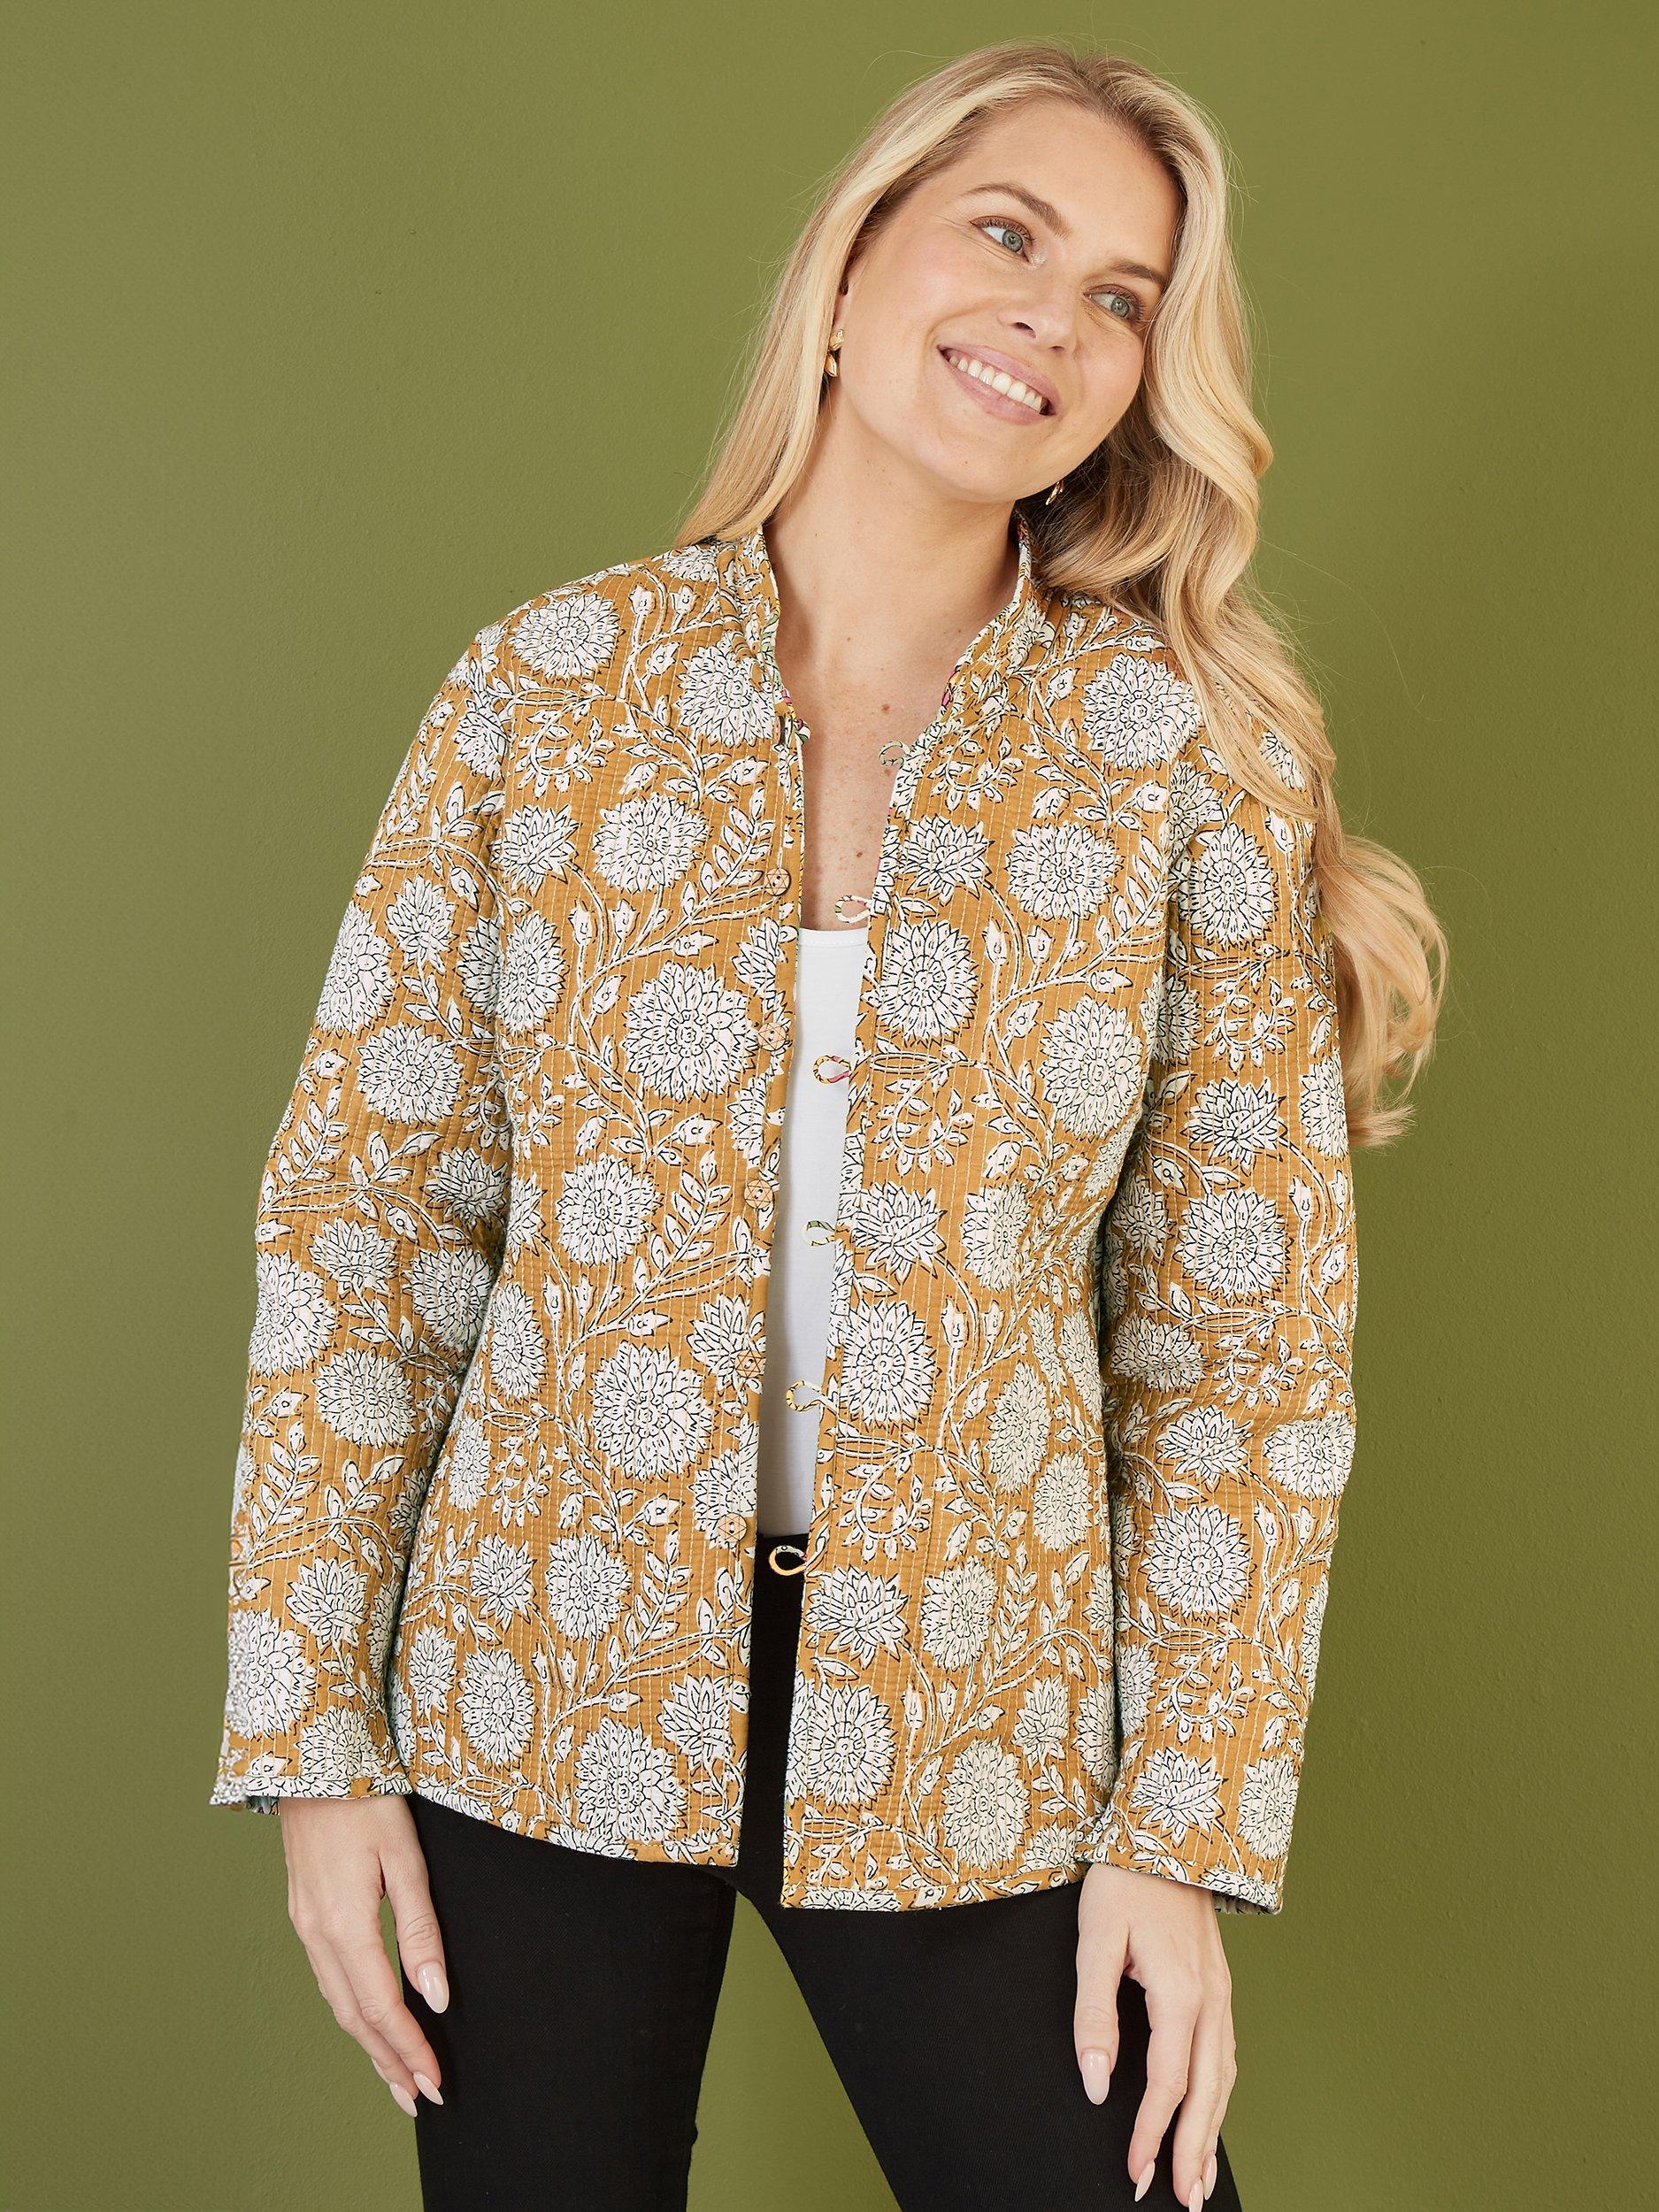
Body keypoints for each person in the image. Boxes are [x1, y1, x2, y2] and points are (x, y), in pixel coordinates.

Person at [209, 37, 1444, 2212]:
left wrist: (1177, 1830)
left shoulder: (1175, 762)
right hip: (540, 1679)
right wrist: (315, 1739)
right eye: (1006, 233)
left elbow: (1238, 1357)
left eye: (1122, 296)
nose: (1052, 317)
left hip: (975, 1710)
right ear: (855, 263)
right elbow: (367, 1231)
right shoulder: (542, 694)